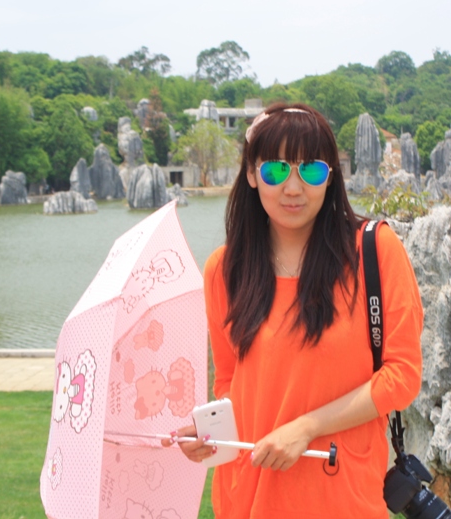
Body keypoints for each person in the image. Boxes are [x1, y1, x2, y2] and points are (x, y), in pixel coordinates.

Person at [162, 103, 423, 518]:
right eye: (276, 170)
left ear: (331, 176)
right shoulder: (224, 270)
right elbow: (231, 383)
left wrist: (306, 428)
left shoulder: (374, 252)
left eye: (311, 170)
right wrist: (213, 434)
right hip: (246, 495)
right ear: (251, 174)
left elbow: (401, 377)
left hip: (340, 495)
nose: (294, 187)